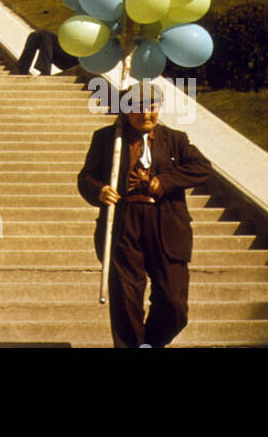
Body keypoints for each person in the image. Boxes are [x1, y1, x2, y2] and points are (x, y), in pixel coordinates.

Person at [77, 79, 212, 348]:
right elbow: (86, 178)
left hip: (166, 226)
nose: (145, 114)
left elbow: (202, 167)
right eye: (137, 107)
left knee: (174, 304)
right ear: (125, 110)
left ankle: (150, 343)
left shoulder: (175, 139)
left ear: (159, 107)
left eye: (151, 106)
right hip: (124, 224)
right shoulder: (106, 138)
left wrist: (166, 181)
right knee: (126, 300)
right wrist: (100, 191)